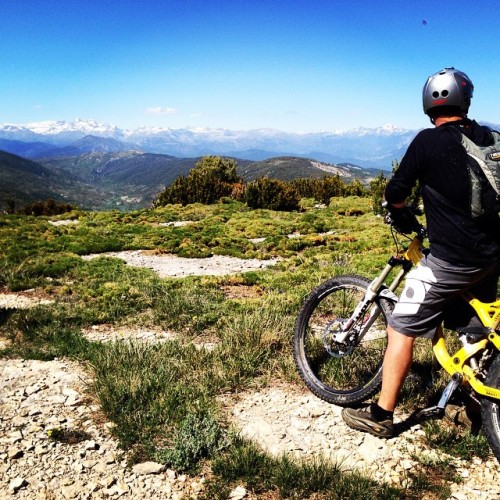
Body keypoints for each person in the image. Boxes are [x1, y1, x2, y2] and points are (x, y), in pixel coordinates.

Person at [341, 67, 500, 438]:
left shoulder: (427, 141)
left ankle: (380, 415)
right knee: (474, 326)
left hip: (451, 261)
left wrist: (399, 211)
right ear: (466, 100)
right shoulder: (492, 137)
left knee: (401, 325)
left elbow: (396, 193)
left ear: (430, 103)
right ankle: (476, 403)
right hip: (492, 256)